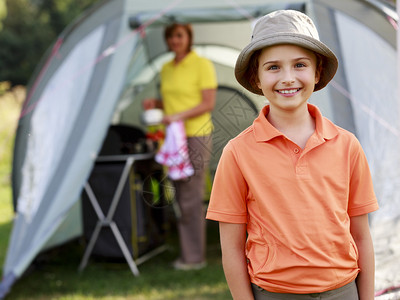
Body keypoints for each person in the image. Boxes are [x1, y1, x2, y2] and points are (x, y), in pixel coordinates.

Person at [206, 10, 378, 300]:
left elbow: (362, 236)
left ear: (317, 72)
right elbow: (232, 248)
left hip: (344, 291)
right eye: (273, 67)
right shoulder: (237, 153)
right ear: (256, 77)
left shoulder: (347, 145)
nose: (288, 78)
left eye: (300, 65)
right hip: (274, 294)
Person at [143, 23, 217, 270]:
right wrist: (158, 103)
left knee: (191, 197)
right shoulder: (166, 68)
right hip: (172, 139)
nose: (175, 40)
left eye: (179, 35)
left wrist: (179, 116)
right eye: (171, 36)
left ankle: (194, 258)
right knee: (180, 195)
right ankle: (189, 252)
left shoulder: (201, 64)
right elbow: (173, 101)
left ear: (188, 38)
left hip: (196, 136)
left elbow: (207, 103)